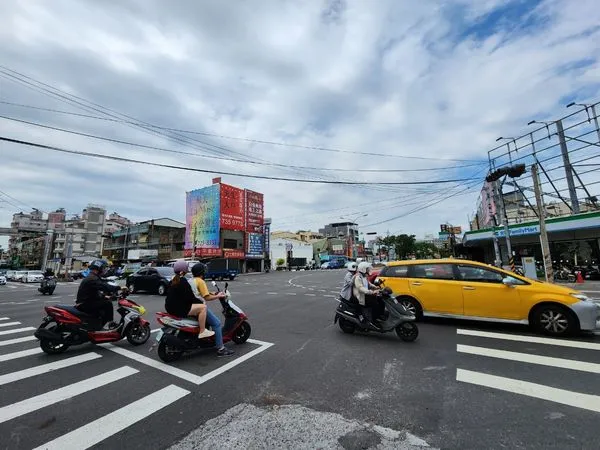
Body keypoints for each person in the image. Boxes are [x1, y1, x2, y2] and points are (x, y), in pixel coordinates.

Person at [189, 262, 235, 358]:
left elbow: (199, 293)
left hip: (190, 307)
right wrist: (218, 295)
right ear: (202, 272)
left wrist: (214, 293)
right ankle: (221, 349)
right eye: (204, 271)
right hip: (199, 307)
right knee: (216, 323)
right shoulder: (200, 281)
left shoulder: (191, 280)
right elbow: (207, 297)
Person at [164, 260, 215, 339]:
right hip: (179, 309)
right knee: (203, 308)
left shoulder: (173, 280)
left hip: (169, 307)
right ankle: (202, 331)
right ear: (184, 271)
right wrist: (201, 302)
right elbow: (190, 297)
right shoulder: (182, 281)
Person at [75, 259, 122, 330]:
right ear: (98, 268)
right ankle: (109, 324)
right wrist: (120, 287)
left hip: (86, 302)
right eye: (103, 268)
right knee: (107, 304)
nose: (104, 270)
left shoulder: (93, 277)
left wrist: (105, 296)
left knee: (104, 303)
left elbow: (94, 292)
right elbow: (105, 287)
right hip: (84, 304)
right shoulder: (92, 278)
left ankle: (96, 325)